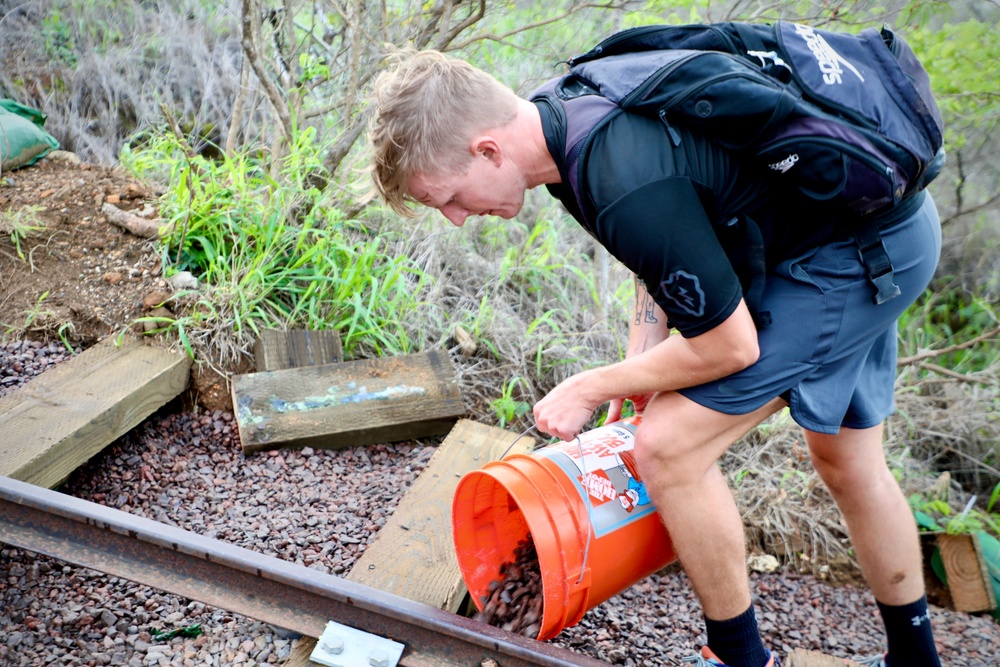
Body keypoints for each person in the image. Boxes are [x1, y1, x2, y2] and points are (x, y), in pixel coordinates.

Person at [367, 44, 943, 667]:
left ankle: (738, 658)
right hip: (867, 228)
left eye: (447, 198)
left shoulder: (615, 173)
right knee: (846, 458)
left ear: (486, 150)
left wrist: (589, 385)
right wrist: (640, 362)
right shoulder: (563, 120)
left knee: (668, 445)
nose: (455, 220)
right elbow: (665, 249)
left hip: (855, 256)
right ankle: (917, 660)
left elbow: (729, 344)